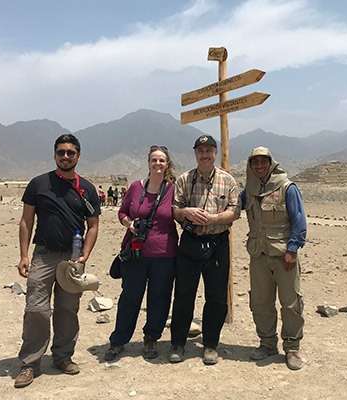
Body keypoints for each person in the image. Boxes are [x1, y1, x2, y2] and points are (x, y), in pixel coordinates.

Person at [14, 134, 101, 388]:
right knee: (36, 309)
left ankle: (63, 357)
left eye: (70, 153)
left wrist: (85, 254)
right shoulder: (38, 184)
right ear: (54, 155)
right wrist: (23, 255)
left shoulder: (86, 188)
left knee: (67, 310)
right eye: (61, 152)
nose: (65, 156)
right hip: (42, 255)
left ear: (78, 156)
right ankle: (30, 363)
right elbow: (26, 220)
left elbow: (93, 225)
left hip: (73, 258)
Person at [169, 134, 240, 365]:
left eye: (209, 150)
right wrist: (187, 212)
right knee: (183, 295)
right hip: (190, 241)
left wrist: (213, 218)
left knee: (217, 297)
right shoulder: (184, 179)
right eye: (201, 150)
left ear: (215, 152)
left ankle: (210, 344)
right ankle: (178, 343)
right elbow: (175, 210)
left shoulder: (227, 180)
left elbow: (235, 211)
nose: (205, 154)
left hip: (218, 242)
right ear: (195, 153)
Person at [104, 145, 178, 361]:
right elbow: (122, 212)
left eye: (162, 160)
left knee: (160, 297)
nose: (157, 164)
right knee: (130, 297)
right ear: (148, 163)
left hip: (165, 253)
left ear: (167, 164)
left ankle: (151, 339)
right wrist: (129, 224)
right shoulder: (136, 188)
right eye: (154, 160)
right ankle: (118, 340)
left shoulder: (173, 189)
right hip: (135, 253)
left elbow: (181, 212)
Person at [240, 146, 307, 371]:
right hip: (258, 254)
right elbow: (233, 207)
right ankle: (267, 343)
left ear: (271, 163)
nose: (259, 166)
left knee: (290, 303)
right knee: (260, 302)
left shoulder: (287, 187)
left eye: (263, 161)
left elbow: (299, 220)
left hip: (283, 255)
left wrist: (292, 249)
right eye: (255, 162)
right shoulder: (248, 190)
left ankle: (292, 347)